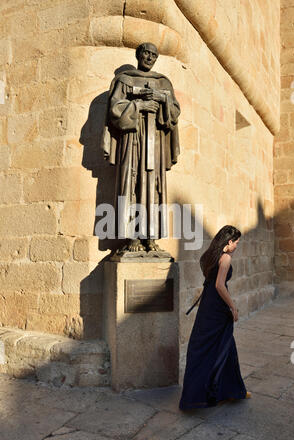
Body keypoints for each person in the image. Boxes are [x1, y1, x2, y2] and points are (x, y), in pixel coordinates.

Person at [103, 42, 180, 253]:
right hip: (132, 138)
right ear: (139, 55)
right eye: (146, 53)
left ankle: (150, 237)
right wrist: (138, 106)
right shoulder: (125, 80)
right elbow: (114, 110)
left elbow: (174, 113)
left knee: (153, 186)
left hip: (155, 142)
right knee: (131, 182)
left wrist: (162, 99)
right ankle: (132, 238)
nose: (149, 58)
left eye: (153, 55)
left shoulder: (163, 82)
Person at [179, 225, 251, 409]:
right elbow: (220, 285)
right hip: (217, 306)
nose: (237, 245)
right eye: (236, 242)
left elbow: (210, 281)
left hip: (207, 306)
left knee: (216, 345)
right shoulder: (225, 257)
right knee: (221, 345)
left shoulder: (210, 255)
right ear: (229, 242)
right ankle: (219, 392)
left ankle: (231, 390)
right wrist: (233, 306)